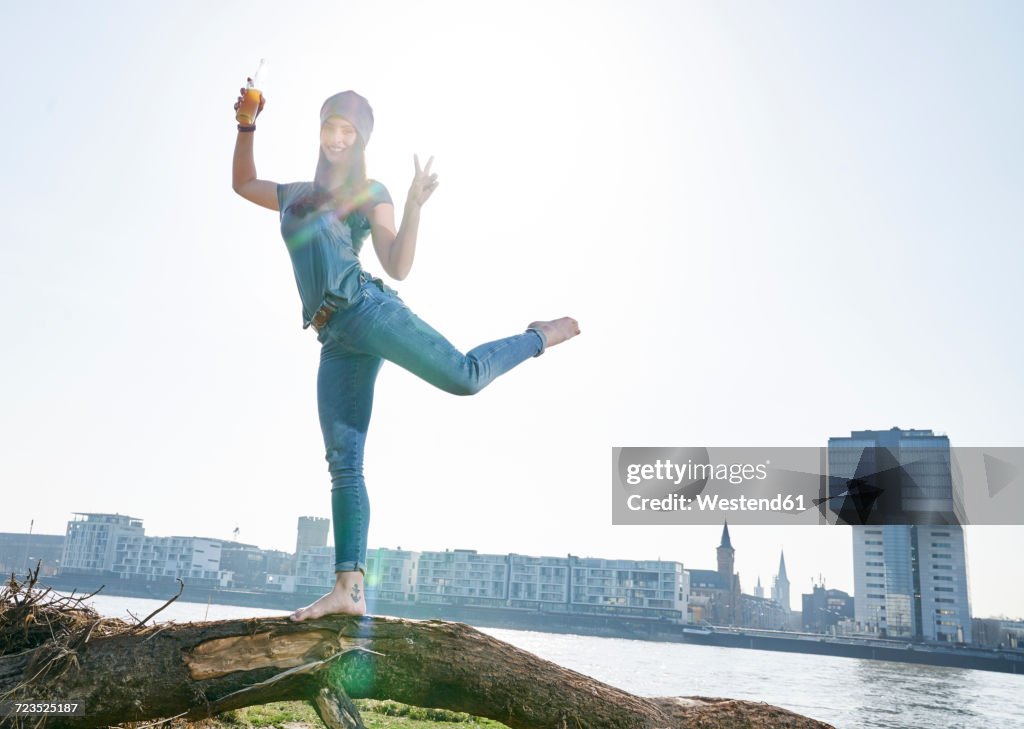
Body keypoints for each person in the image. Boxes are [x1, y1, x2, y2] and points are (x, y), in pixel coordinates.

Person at [231, 85, 580, 621]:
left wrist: (413, 206)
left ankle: (539, 336)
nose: (338, 139)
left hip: (369, 308)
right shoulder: (294, 193)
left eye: (349, 131)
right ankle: (348, 591)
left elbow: (395, 262)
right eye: (331, 128)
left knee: (464, 377)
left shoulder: (370, 191)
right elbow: (243, 183)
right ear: (320, 131)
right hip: (333, 338)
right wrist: (247, 123)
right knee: (344, 465)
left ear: (361, 139)